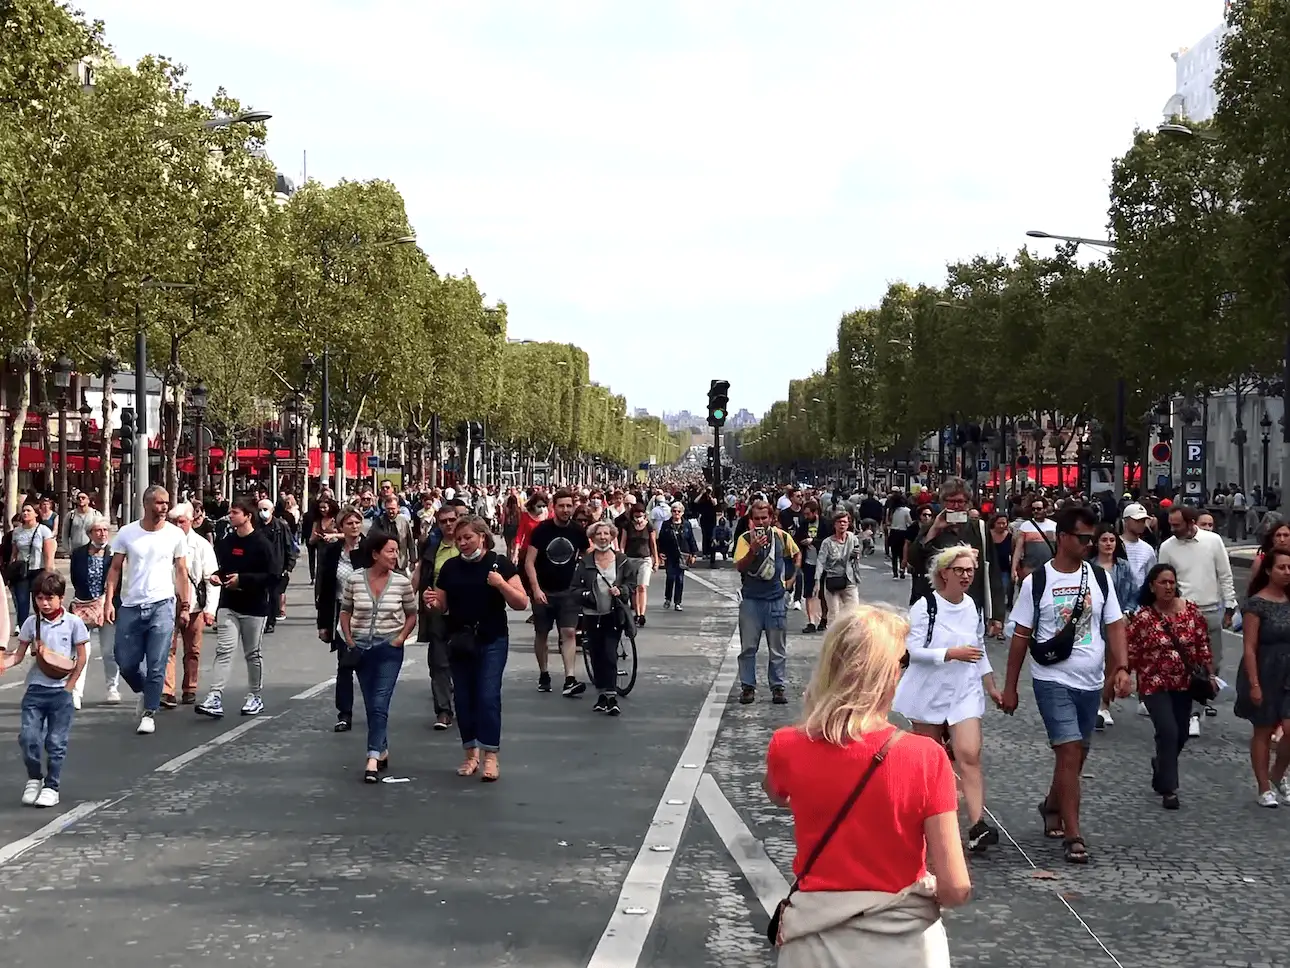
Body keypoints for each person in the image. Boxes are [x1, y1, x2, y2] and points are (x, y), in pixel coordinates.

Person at [763, 605, 969, 962]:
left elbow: (778, 794)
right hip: (904, 945)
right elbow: (955, 887)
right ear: (889, 674)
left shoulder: (787, 746)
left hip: (814, 943)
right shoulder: (925, 756)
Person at [1001, 504, 1130, 864]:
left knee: (1076, 757)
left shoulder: (1100, 578)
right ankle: (1074, 833)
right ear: (1062, 537)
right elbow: (1020, 637)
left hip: (1090, 681)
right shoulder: (1037, 581)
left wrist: (1121, 667)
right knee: (1070, 751)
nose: (1090, 543)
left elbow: (1115, 624)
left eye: (1093, 537)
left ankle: (1051, 806)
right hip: (1052, 677)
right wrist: (1010, 686)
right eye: (1083, 537)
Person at [895, 544, 1002, 852]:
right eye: (960, 570)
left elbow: (978, 652)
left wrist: (991, 687)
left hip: (964, 691)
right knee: (931, 761)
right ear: (944, 573)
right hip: (929, 691)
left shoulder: (974, 607)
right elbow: (913, 651)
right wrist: (950, 654)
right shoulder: (925, 606)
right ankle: (930, 822)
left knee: (969, 754)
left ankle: (977, 825)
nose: (966, 576)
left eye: (970, 570)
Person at [429, 515, 528, 781]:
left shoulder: (499, 564)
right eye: (459, 539)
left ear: (482, 537)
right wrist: (433, 602)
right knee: (463, 698)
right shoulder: (450, 568)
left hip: (492, 639)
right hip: (460, 640)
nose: (462, 543)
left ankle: (491, 756)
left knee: (487, 696)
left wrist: (501, 584)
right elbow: (443, 605)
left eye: (468, 537)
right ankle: (470, 754)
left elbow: (521, 603)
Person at [104, 486, 190, 736]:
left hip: (162, 605)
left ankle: (150, 712)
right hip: (131, 605)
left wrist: (184, 605)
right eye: (160, 503)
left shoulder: (175, 535)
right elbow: (115, 570)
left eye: (166, 503)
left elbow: (182, 572)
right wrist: (109, 601)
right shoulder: (127, 533)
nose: (164, 508)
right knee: (125, 662)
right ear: (147, 504)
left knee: (157, 663)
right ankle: (145, 691)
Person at [1127, 563, 1215, 810]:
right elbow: (1130, 650)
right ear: (1152, 587)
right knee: (1167, 731)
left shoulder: (1191, 612)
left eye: (1171, 582)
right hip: (1154, 684)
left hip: (1184, 683)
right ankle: (1170, 789)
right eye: (1163, 582)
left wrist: (1209, 673)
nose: (1168, 587)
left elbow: (1202, 644)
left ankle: (1161, 767)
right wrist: (1122, 674)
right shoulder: (1143, 618)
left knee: (1181, 733)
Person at [0, 572, 86, 808]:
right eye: (39, 598)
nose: (44, 603)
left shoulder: (73, 622)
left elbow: (81, 657)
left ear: (60, 597)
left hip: (61, 693)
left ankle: (52, 786)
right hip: (35, 691)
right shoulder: (31, 623)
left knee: (56, 742)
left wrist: (70, 687)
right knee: (28, 738)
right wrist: (3, 663)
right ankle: (35, 778)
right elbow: (18, 656)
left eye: (49, 598)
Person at [340, 532, 418, 783]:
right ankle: (382, 748)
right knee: (371, 701)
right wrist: (350, 640)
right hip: (361, 648)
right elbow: (345, 612)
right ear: (375, 554)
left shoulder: (401, 583)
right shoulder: (354, 580)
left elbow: (411, 615)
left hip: (388, 649)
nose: (395, 556)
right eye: (390, 551)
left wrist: (400, 638)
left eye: (397, 551)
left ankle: (372, 757)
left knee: (379, 703)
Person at [1158, 504, 1237, 736]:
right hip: (1180, 612)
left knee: (1213, 663)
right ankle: (1190, 712)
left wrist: (1230, 605)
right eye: (1170, 524)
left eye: (1177, 525)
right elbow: (1162, 580)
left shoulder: (1213, 541)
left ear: (1191, 522)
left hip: (1211, 610)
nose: (1172, 529)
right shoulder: (1167, 547)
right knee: (1183, 665)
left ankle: (1196, 706)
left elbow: (1225, 574)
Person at [197, 497, 277, 719]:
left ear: (247, 516)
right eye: (230, 512)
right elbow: (224, 569)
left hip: (255, 606)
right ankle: (215, 696)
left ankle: (255, 695)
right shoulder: (228, 542)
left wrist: (242, 580)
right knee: (224, 649)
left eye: (234, 513)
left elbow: (272, 577)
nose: (230, 516)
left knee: (252, 653)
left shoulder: (262, 543)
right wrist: (217, 577)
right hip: (229, 605)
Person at [1235, 547, 1290, 806]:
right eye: (1282, 567)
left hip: (1289, 673)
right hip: (1265, 671)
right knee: (1264, 730)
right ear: (1269, 570)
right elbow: (1249, 647)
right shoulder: (1257, 604)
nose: (1287, 572)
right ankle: (1264, 786)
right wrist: (1254, 684)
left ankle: (1277, 775)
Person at [734, 499, 801, 705]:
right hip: (751, 601)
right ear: (751, 520)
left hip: (776, 600)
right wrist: (753, 549)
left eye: (765, 518)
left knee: (777, 648)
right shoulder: (745, 539)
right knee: (748, 648)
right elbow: (740, 567)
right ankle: (748, 687)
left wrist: (792, 579)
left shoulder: (782, 536)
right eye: (757, 519)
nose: (761, 522)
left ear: (772, 518)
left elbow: (797, 554)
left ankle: (778, 687)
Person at [524, 489, 588, 697]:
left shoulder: (578, 531)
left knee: (568, 632)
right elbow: (529, 562)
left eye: (569, 506)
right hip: (544, 590)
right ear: (554, 507)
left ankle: (570, 677)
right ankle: (544, 673)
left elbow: (588, 557)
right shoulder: (542, 530)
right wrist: (535, 589)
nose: (565, 510)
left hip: (569, 590)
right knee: (542, 633)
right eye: (561, 506)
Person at [161, 503, 221, 708]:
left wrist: (210, 610)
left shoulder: (201, 545)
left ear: (191, 521)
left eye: (182, 522)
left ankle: (190, 688)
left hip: (195, 606)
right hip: (168, 603)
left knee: (192, 650)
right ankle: (167, 690)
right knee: (167, 648)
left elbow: (211, 579)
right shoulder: (163, 543)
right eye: (174, 522)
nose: (178, 526)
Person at [315, 507, 369, 732]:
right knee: (345, 665)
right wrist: (323, 624)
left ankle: (374, 710)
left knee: (368, 666)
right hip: (342, 612)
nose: (354, 527)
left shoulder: (369, 549)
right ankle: (344, 713)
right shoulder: (332, 552)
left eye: (357, 522)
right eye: (349, 523)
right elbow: (325, 588)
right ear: (341, 527)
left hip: (367, 613)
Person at [571, 521, 634, 716]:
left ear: (612, 536)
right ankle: (601, 695)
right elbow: (574, 589)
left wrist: (622, 590)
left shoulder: (622, 560)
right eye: (599, 534)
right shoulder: (585, 562)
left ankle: (611, 695)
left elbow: (631, 584)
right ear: (593, 537)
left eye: (607, 534)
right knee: (596, 656)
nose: (603, 537)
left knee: (609, 654)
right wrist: (587, 596)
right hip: (591, 615)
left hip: (613, 615)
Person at [411, 502, 460, 730]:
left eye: (453, 520)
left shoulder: (469, 542)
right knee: (439, 662)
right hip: (437, 611)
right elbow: (420, 574)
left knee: (465, 660)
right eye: (444, 521)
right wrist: (406, 600)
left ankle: (465, 704)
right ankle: (443, 711)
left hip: (467, 612)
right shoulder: (431, 546)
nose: (449, 525)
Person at [1090, 523, 1140, 731]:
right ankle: (1093, 703)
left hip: (1116, 622)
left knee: (1113, 665)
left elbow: (1133, 594)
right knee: (1093, 664)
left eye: (1111, 540)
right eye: (1104, 540)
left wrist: (1128, 612)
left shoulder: (1123, 567)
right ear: (1096, 543)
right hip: (1092, 622)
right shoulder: (1089, 566)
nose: (1108, 544)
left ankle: (1104, 705)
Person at [69, 514, 119, 706]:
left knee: (109, 651)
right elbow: (75, 578)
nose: (102, 534)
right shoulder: (79, 554)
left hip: (108, 606)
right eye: (98, 530)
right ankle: (76, 692)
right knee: (82, 651)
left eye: (105, 530)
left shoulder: (114, 554)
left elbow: (119, 581)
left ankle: (112, 688)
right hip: (83, 606)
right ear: (90, 533)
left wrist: (108, 600)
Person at [8, 500, 55, 629]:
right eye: (23, 511)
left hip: (38, 571)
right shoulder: (17, 532)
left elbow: (48, 554)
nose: (25, 513)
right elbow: (14, 553)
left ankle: (41, 631)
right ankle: (24, 633)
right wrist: (10, 572)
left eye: (29, 510)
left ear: (36, 514)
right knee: (22, 604)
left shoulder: (43, 530)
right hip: (21, 571)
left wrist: (49, 573)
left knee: (39, 603)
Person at [616, 502, 659, 626]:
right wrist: (621, 557)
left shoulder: (649, 526)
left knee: (642, 587)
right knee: (633, 589)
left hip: (645, 559)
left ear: (644, 515)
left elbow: (653, 544)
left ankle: (642, 614)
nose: (638, 519)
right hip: (630, 559)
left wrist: (656, 560)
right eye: (636, 516)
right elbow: (623, 543)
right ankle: (636, 612)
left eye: (641, 516)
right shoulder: (627, 526)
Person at [656, 501, 698, 612]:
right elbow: (660, 540)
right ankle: (668, 598)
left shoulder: (687, 524)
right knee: (670, 577)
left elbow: (691, 539)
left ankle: (677, 602)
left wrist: (694, 554)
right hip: (670, 555)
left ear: (682, 512)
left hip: (683, 555)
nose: (676, 513)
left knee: (680, 579)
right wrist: (660, 552)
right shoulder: (666, 524)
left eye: (678, 511)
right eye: (674, 511)